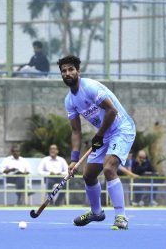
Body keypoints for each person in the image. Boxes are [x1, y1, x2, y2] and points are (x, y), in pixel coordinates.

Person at [57, 55, 136, 230]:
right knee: (89, 174)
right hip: (104, 134)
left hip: (121, 129)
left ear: (78, 71)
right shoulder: (69, 100)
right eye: (64, 71)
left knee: (109, 168)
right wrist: (74, 159)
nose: (67, 73)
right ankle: (96, 213)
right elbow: (76, 131)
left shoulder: (90, 87)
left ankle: (121, 217)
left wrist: (99, 135)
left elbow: (111, 111)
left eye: (71, 69)